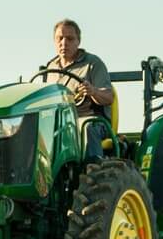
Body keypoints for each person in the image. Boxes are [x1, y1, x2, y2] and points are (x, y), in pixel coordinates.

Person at [44, 18, 115, 159]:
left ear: (78, 41)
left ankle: (93, 169)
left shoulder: (93, 63)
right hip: (60, 122)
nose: (64, 43)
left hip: (89, 120)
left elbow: (109, 97)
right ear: (54, 41)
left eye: (70, 39)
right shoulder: (50, 68)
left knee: (86, 127)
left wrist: (93, 91)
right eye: (60, 38)